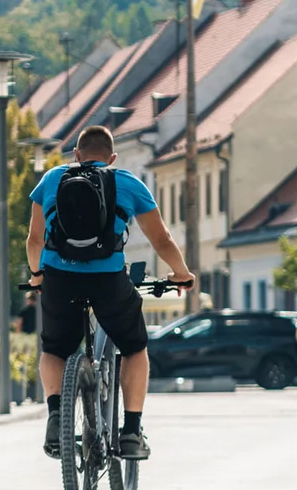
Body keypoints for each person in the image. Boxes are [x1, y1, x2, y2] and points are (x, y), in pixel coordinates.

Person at [25, 125, 193, 461]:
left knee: (54, 349)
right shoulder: (128, 182)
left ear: (76, 154)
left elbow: (34, 240)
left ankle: (57, 418)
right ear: (112, 157)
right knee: (134, 346)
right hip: (108, 280)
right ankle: (130, 432)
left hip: (59, 278)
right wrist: (181, 273)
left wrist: (37, 275)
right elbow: (162, 240)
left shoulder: (51, 180)